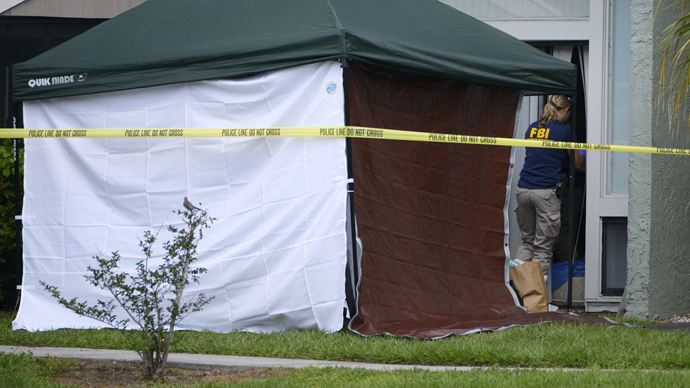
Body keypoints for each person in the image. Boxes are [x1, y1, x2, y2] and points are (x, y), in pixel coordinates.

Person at [515, 95, 584, 279]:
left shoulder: (532, 128)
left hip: (523, 190)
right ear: (567, 110)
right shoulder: (565, 131)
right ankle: (535, 299)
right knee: (543, 249)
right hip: (545, 193)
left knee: (527, 242)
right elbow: (576, 163)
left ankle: (517, 290)